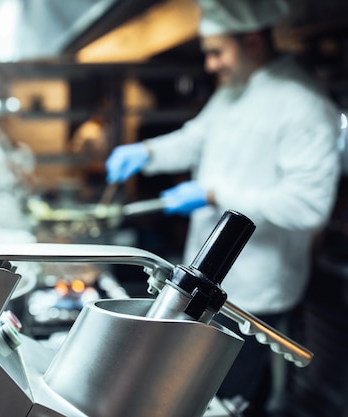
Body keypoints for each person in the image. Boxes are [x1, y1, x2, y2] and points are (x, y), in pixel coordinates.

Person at [105, 0, 341, 415]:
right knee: (194, 397)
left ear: (251, 41)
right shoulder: (236, 90)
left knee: (232, 404)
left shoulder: (304, 105)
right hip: (204, 283)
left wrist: (215, 194)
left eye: (217, 52)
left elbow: (308, 206)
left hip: (253, 297)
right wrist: (146, 151)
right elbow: (196, 138)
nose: (211, 64)